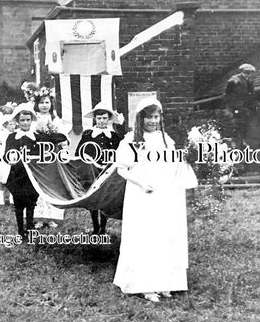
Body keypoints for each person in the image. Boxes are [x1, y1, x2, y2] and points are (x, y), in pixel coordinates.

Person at [112, 97, 197, 303]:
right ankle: (144, 285)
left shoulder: (166, 138)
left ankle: (165, 282)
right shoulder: (131, 140)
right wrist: (141, 183)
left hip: (165, 194)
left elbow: (175, 162)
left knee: (164, 235)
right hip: (143, 193)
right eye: (148, 117)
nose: (152, 121)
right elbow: (121, 168)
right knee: (145, 236)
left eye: (156, 116)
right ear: (140, 119)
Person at [4, 103, 67, 238]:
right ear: (17, 121)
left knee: (31, 203)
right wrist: (12, 157)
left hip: (33, 176)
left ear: (31, 120)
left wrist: (63, 139)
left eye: (28, 120)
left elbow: (55, 139)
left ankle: (30, 228)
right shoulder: (12, 137)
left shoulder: (37, 137)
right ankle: (21, 231)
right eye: (22, 120)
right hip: (17, 176)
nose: (25, 123)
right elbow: (6, 155)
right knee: (19, 204)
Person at [75, 102, 124, 235]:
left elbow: (121, 151)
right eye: (99, 118)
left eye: (104, 118)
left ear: (109, 119)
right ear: (95, 119)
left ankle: (103, 226)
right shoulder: (88, 134)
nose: (102, 121)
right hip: (92, 171)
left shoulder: (114, 136)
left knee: (104, 197)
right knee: (93, 197)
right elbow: (79, 152)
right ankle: (95, 226)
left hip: (107, 170)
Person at [32, 91, 69, 228]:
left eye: (47, 102)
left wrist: (60, 142)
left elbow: (63, 137)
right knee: (40, 184)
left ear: (51, 104)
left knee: (53, 184)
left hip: (53, 155)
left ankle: (52, 217)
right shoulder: (34, 119)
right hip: (39, 155)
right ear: (37, 104)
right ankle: (39, 218)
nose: (44, 105)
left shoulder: (55, 119)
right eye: (41, 102)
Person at [224, 63, 256, 145]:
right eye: (246, 73)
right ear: (243, 72)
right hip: (234, 103)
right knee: (242, 116)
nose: (247, 75)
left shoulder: (249, 81)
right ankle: (237, 136)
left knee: (255, 112)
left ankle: (246, 136)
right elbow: (228, 93)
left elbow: (251, 93)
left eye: (249, 73)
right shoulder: (234, 80)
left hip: (244, 103)